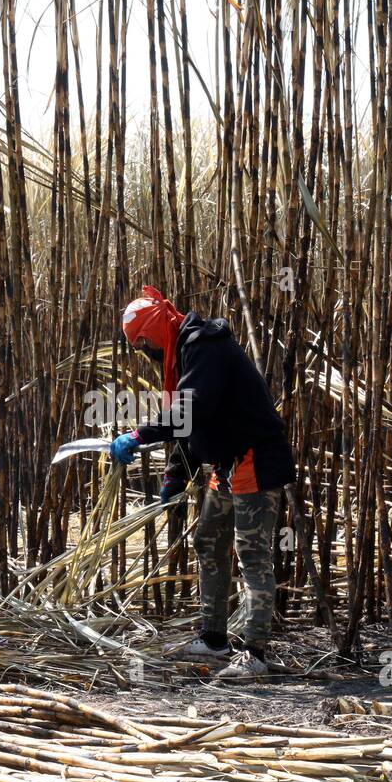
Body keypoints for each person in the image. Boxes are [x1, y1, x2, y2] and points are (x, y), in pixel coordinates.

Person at [110, 285, 296, 680]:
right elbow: (194, 426)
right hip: (227, 464)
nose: (145, 351)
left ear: (156, 330)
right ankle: (214, 639)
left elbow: (192, 410)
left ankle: (256, 654)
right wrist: (176, 475)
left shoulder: (205, 346)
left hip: (255, 460)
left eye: (143, 342)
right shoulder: (184, 356)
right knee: (208, 541)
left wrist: (140, 436)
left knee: (253, 557)